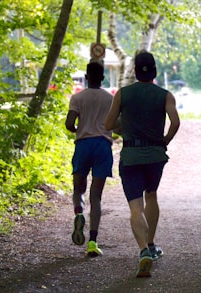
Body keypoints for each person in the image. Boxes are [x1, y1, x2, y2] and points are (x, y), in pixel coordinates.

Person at [105, 51, 180, 278]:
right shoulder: (165, 95)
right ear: (155, 70)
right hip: (155, 155)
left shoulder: (123, 94)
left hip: (131, 155)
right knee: (152, 196)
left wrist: (124, 127)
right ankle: (151, 243)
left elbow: (108, 124)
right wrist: (164, 141)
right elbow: (175, 122)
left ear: (136, 70)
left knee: (135, 207)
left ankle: (143, 251)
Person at [65, 61, 114, 257]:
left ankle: (78, 213)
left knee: (79, 188)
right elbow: (116, 124)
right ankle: (93, 242)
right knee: (97, 196)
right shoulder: (109, 99)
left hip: (83, 144)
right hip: (102, 145)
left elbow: (69, 123)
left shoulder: (77, 97)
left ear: (86, 77)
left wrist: (79, 130)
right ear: (103, 77)